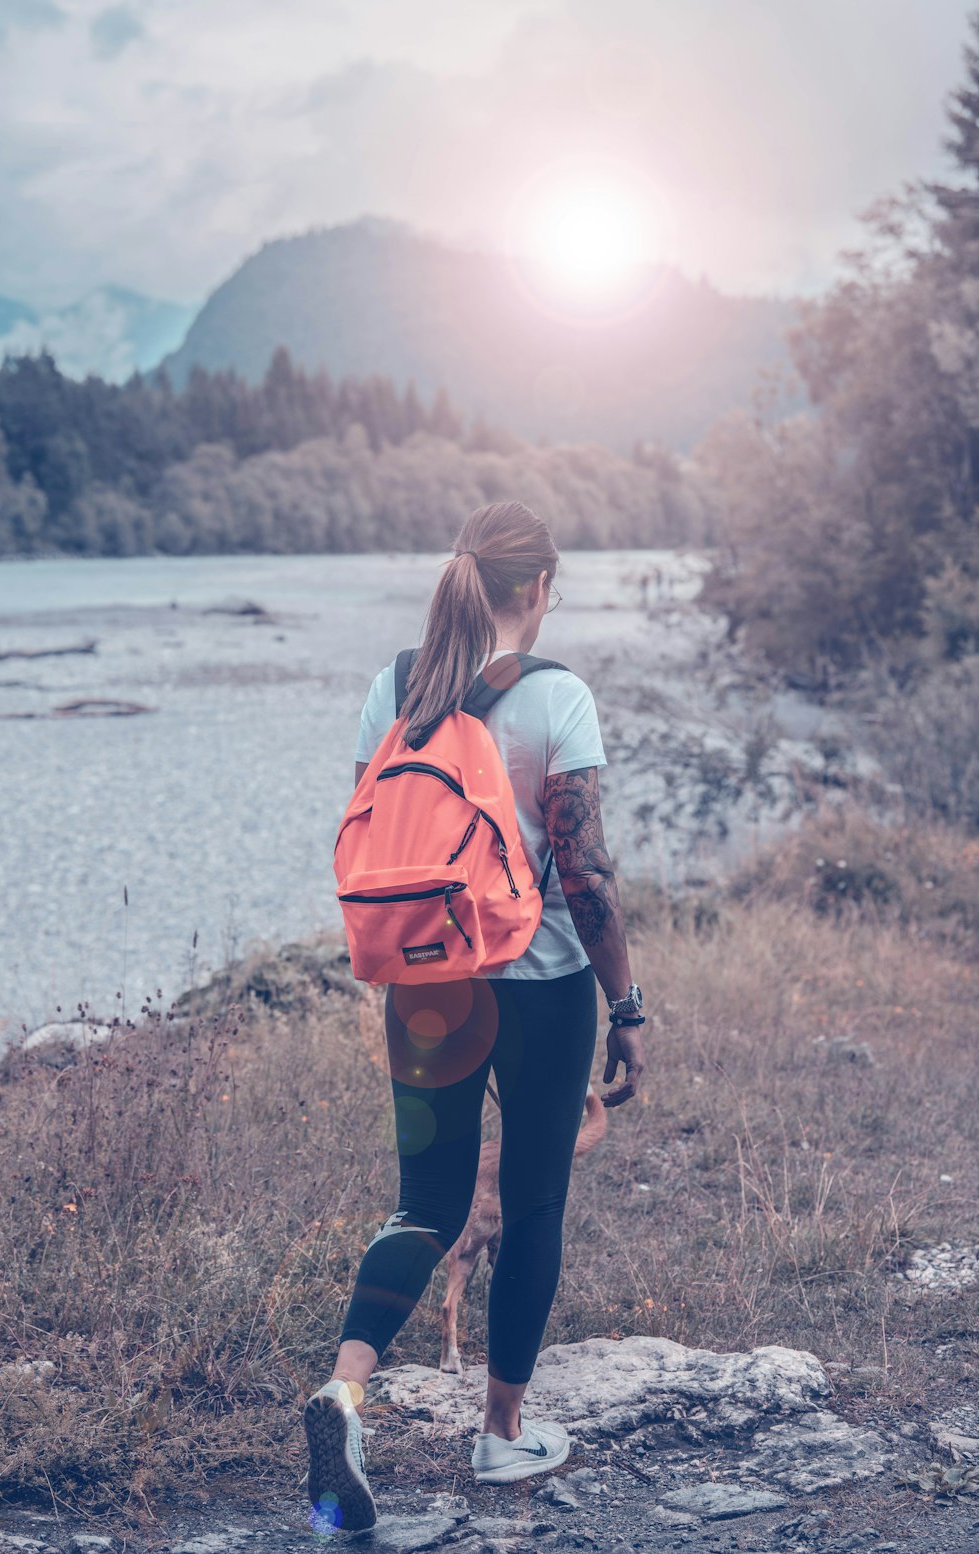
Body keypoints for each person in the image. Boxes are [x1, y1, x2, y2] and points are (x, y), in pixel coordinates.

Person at [304, 501, 646, 1532]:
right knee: (533, 1203)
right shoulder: (559, 699)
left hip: (426, 983)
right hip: (538, 987)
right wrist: (622, 1003)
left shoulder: (394, 688)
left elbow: (370, 834)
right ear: (540, 588)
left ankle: (343, 1392)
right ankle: (501, 1437)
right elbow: (583, 873)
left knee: (425, 1205)